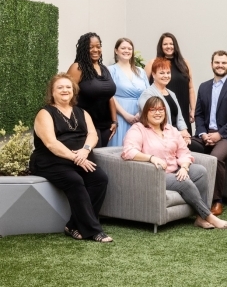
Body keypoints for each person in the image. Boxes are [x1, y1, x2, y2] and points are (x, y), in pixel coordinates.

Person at [122, 97, 227, 229]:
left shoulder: (171, 129)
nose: (158, 113)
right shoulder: (138, 129)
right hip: (156, 174)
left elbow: (184, 152)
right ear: (146, 112)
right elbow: (128, 151)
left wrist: (185, 167)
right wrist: (151, 158)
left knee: (201, 171)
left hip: (175, 169)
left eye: (161, 109)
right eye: (153, 109)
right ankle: (208, 216)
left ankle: (199, 218)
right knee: (183, 181)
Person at [29, 73, 112, 242]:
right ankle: (94, 230)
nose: (65, 90)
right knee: (75, 180)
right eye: (60, 87)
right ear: (52, 92)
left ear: (74, 91)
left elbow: (92, 134)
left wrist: (85, 150)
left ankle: (74, 225)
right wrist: (76, 158)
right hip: (50, 161)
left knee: (100, 179)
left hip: (79, 158)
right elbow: (51, 143)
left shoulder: (81, 112)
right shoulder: (45, 113)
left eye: (68, 87)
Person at [192, 50, 227, 216]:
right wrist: (202, 134)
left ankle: (217, 200)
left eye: (224, 62)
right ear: (212, 64)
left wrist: (219, 135)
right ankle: (193, 194)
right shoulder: (204, 86)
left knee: (216, 157)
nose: (220, 65)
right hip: (206, 134)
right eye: (217, 62)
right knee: (185, 146)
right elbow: (199, 114)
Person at [66, 32, 117, 147]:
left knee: (103, 159)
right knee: (91, 160)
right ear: (84, 49)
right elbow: (67, 95)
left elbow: (109, 97)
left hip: (105, 125)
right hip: (86, 125)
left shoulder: (104, 69)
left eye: (98, 46)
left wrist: (114, 120)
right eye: (91, 47)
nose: (95, 50)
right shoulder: (77, 68)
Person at [145, 32, 196, 133]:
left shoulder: (184, 63)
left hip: (182, 108)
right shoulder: (153, 63)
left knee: (184, 141)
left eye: (171, 44)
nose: (169, 46)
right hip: (160, 109)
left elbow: (190, 88)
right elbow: (144, 86)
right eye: (165, 44)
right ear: (161, 46)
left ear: (175, 45)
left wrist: (193, 109)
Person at [139, 58, 193, 145]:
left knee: (198, 149)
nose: (166, 75)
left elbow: (180, 118)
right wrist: (178, 135)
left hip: (177, 136)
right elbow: (154, 121)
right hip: (159, 138)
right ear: (153, 74)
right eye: (162, 73)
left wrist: (185, 133)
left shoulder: (172, 94)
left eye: (168, 73)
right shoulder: (147, 95)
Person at [107, 37, 149, 147]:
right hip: (120, 114)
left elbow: (148, 94)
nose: (127, 51)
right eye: (123, 48)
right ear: (116, 50)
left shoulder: (141, 71)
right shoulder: (110, 70)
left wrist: (141, 113)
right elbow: (109, 95)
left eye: (129, 48)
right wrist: (126, 115)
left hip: (140, 115)